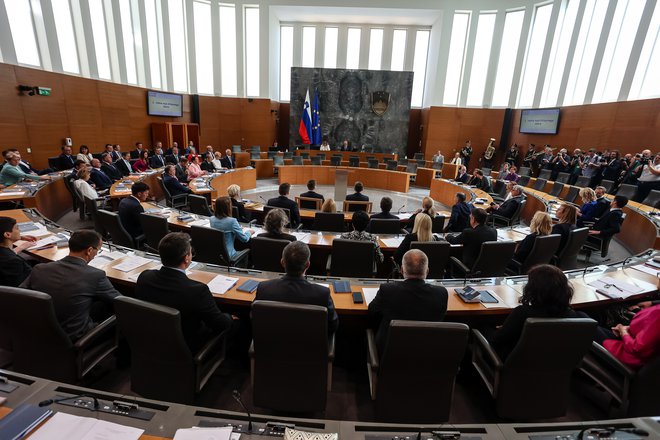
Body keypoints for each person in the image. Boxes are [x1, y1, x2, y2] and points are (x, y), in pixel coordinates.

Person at [135, 232, 233, 351]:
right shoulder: (198, 291)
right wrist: (229, 317)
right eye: (191, 252)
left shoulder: (144, 277)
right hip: (187, 346)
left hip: (151, 340)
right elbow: (220, 324)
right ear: (186, 258)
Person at [20, 231, 120, 342]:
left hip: (38, 329)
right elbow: (119, 301)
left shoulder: (40, 268)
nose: (96, 254)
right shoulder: (95, 275)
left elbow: (18, 293)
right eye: (98, 250)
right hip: (74, 337)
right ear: (89, 250)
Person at [487, 264, 588, 360]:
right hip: (556, 366)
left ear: (532, 289)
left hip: (515, 364)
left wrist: (503, 328)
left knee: (484, 329)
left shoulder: (522, 313)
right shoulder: (574, 316)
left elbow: (496, 342)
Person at [368, 249, 448, 355]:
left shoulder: (387, 290)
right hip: (428, 355)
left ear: (401, 270)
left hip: (391, 354)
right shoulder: (441, 293)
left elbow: (372, 311)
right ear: (427, 271)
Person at [256, 241, 338, 333]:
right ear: (308, 265)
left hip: (271, 345)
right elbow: (332, 325)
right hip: (310, 345)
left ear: (282, 262)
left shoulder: (263, 288)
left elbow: (255, 319)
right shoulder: (322, 293)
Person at [595, 304, 660, 369]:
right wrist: (626, 329)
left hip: (625, 359)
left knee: (586, 320)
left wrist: (623, 331)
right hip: (625, 344)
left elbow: (636, 348)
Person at [0, 216, 37, 286]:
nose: (20, 231)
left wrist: (20, 241)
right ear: (7, 234)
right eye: (17, 228)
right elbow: (18, 289)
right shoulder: (13, 262)